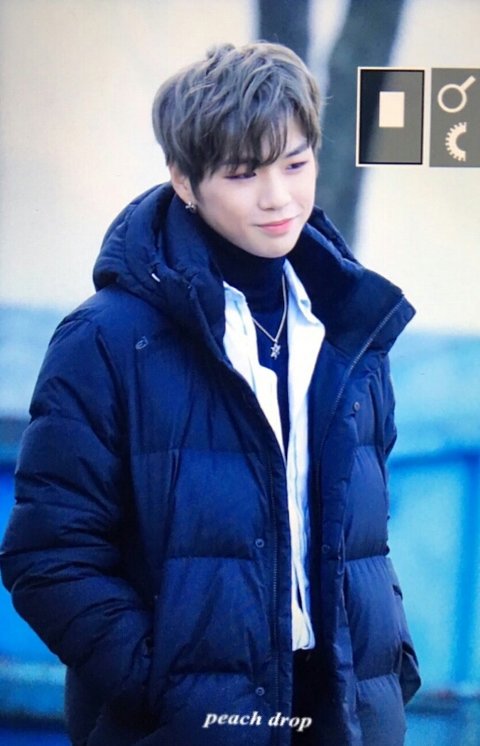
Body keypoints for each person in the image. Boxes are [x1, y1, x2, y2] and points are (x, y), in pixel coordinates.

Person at [0, 41, 420, 746]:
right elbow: (48, 556)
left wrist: (389, 668)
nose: (277, 197)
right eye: (243, 173)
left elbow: (363, 537)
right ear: (185, 180)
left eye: (295, 165)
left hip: (341, 720)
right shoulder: (105, 340)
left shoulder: (349, 330)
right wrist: (168, 688)